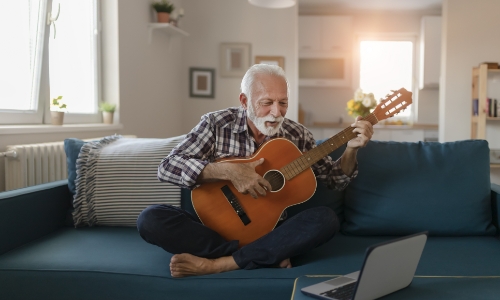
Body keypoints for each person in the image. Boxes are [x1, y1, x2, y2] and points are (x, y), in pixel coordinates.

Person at [137, 64, 374, 277]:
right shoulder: (216, 124)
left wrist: (351, 150)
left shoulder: (298, 135)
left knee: (326, 220)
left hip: (268, 232)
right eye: (266, 103)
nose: (276, 112)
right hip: (208, 231)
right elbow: (168, 167)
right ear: (244, 101)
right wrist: (228, 171)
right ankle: (259, 256)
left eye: (283, 102)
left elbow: (335, 180)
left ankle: (219, 264)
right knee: (150, 219)